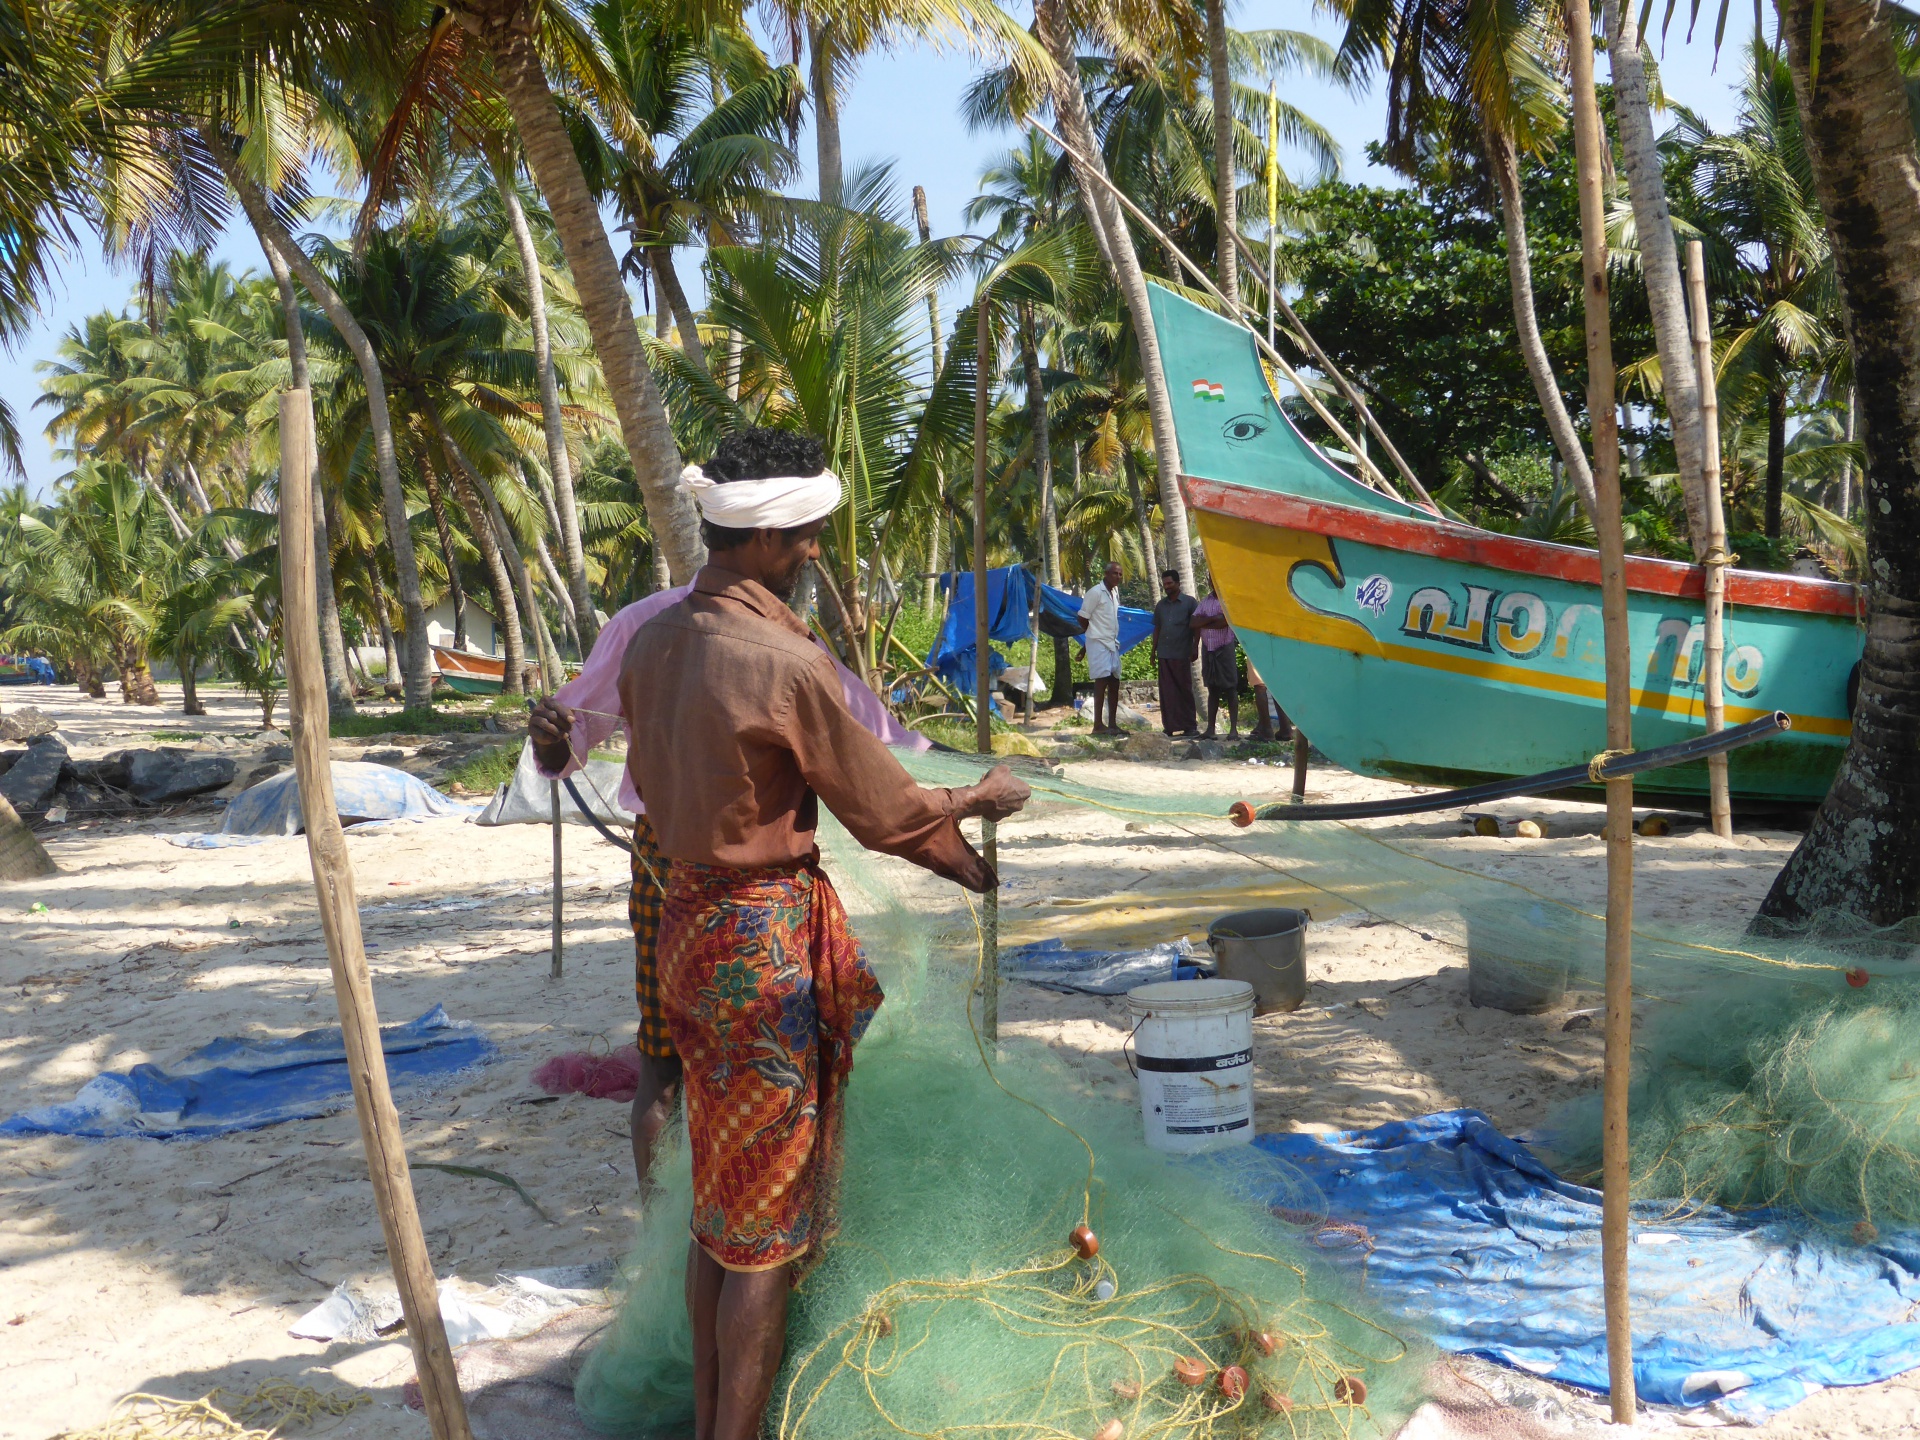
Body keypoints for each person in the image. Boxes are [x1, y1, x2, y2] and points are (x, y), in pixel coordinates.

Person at [619, 427, 1030, 1440]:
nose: (811, 556)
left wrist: (958, 852)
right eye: (804, 539)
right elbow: (885, 811)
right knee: (765, 1233)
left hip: (684, 931)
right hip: (759, 957)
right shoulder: (781, 659)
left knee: (721, 1212)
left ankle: (724, 1419)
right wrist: (982, 797)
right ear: (760, 541)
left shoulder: (655, 640)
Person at [528, 583, 924, 1195]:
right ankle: (668, 1243)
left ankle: (764, 1212)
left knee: (781, 1055)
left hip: (767, 869)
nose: (810, 554)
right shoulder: (644, 623)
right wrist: (552, 738)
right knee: (665, 1064)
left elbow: (863, 723)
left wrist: (936, 762)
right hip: (671, 859)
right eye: (800, 539)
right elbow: (571, 735)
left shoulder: (789, 631)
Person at [1151, 568, 1200, 737]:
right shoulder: (1160, 605)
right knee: (1167, 692)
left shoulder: (1190, 602)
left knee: (1184, 690)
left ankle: (1190, 726)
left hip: (1182, 653)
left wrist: (1195, 647)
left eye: (1170, 583)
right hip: (1164, 654)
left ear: (1178, 583)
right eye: (1164, 584)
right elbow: (1157, 628)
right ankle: (1169, 727)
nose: (1167, 586)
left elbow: (1197, 627)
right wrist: (1153, 651)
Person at [1078, 561, 1124, 735]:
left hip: (1112, 642)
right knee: (1101, 680)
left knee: (1114, 681)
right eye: (1114, 573)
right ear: (1106, 574)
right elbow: (1082, 618)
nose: (1118, 577)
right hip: (1098, 642)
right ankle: (1097, 724)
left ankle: (1112, 724)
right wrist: (1091, 637)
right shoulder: (1095, 593)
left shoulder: (1115, 592)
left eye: (1120, 574)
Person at [1192, 582, 1240, 739]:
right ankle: (1210, 729)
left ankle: (1233, 730)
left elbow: (1224, 622)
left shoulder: (1227, 600)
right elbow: (1193, 623)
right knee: (1212, 689)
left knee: (1230, 688)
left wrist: (1205, 620)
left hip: (1224, 647)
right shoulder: (1205, 601)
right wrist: (1213, 618)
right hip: (1208, 648)